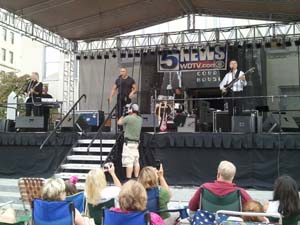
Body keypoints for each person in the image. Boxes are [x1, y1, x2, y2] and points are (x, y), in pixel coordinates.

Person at [117, 103, 143, 180]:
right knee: (136, 161)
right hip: (136, 143)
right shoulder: (140, 119)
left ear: (131, 110)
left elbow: (119, 122)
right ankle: (136, 177)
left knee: (129, 161)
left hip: (128, 143)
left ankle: (128, 179)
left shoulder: (128, 118)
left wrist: (124, 114)